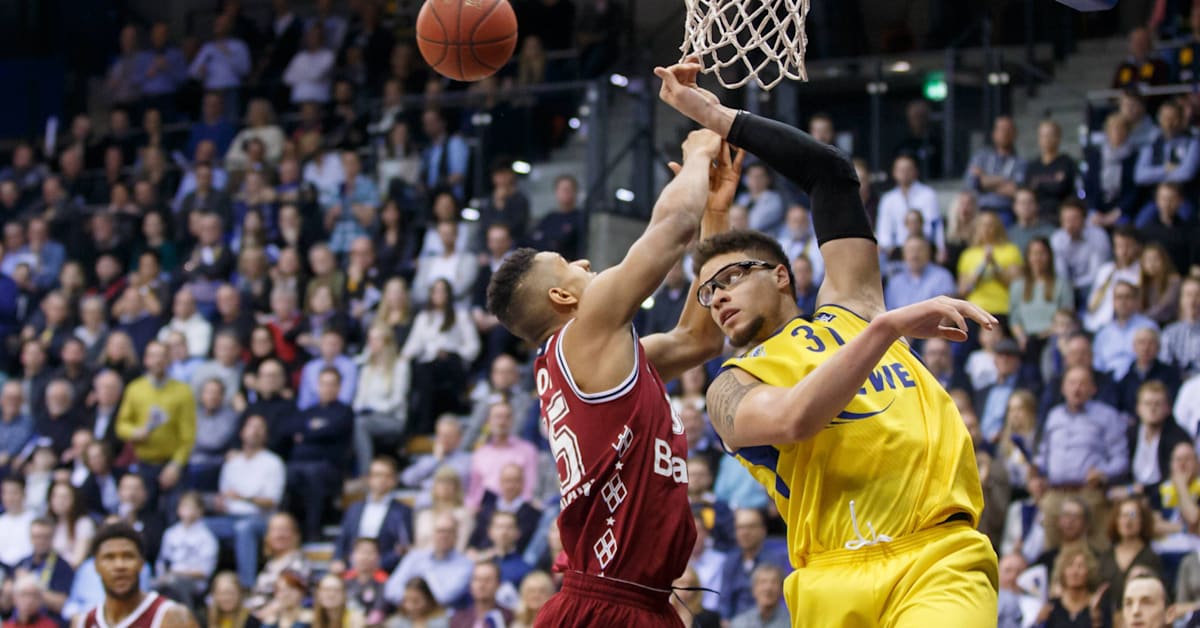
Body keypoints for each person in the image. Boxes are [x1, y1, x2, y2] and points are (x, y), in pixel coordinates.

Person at [657, 57, 999, 625]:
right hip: (829, 578)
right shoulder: (730, 388)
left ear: (783, 275)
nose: (716, 297)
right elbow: (795, 419)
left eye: (733, 278)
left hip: (936, 557)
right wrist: (887, 328)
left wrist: (717, 116)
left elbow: (830, 174)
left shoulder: (851, 309)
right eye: (708, 291)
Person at [485, 111, 737, 622]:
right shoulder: (584, 333)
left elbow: (700, 338)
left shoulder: (597, 360)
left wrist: (714, 216)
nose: (584, 265)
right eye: (569, 264)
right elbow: (670, 228)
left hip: (629, 598)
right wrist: (697, 151)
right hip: (608, 602)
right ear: (561, 296)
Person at [75, 522, 196, 628]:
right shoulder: (83, 622)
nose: (119, 566)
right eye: (109, 557)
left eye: (128, 556)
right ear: (96, 566)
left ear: (141, 563)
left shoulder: (174, 617)